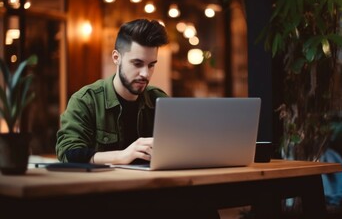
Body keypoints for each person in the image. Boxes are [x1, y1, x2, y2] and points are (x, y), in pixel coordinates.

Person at [55, 18, 220, 219]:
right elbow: (68, 152)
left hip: (152, 195)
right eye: (137, 63)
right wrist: (123, 156)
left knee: (204, 205)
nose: (145, 73)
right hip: (104, 199)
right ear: (116, 57)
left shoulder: (159, 99)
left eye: (152, 65)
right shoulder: (86, 100)